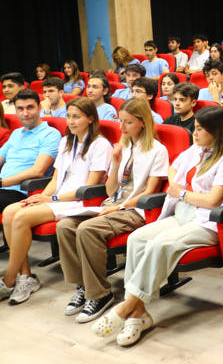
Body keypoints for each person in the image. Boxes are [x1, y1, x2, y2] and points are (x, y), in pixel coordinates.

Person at [91, 106, 223, 346]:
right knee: (137, 238)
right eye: (195, 128)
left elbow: (213, 200)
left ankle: (126, 308)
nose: (194, 133)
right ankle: (138, 314)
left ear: (216, 131)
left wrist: (180, 192)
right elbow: (174, 168)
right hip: (182, 213)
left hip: (207, 222)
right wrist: (177, 187)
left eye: (200, 129)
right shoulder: (196, 149)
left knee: (160, 244)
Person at [57, 98, 168, 322]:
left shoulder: (158, 150)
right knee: (65, 226)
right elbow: (110, 190)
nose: (121, 127)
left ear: (143, 122)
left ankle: (100, 295)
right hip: (113, 204)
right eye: (120, 121)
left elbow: (149, 192)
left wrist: (120, 206)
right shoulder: (123, 147)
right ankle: (83, 286)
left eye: (128, 122)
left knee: (87, 229)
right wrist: (115, 163)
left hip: (135, 210)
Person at [0, 98, 111, 304]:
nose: (71, 121)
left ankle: (9, 278)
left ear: (90, 118)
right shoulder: (66, 141)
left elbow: (89, 187)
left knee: (20, 218)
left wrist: (51, 198)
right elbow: (56, 179)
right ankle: (26, 276)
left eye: (76, 117)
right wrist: (42, 197)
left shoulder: (100, 144)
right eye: (68, 116)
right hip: (57, 197)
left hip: (80, 201)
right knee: (9, 212)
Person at [0, 89, 61, 219]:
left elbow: (37, 171)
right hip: (0, 188)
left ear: (39, 108)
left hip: (20, 191)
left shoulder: (50, 134)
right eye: (20, 109)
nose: (25, 113)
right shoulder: (16, 133)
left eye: (30, 107)